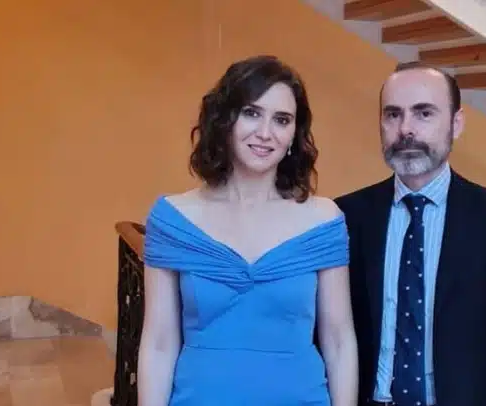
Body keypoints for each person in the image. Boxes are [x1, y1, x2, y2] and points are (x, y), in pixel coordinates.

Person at [137, 55, 358, 406]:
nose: (265, 133)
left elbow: (339, 340)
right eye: (252, 113)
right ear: (225, 120)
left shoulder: (323, 220)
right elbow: (159, 343)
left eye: (282, 120)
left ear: (294, 135)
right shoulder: (173, 220)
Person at [334, 62, 486, 406]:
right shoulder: (347, 215)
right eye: (393, 115)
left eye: (424, 113)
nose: (406, 129)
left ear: (456, 124)